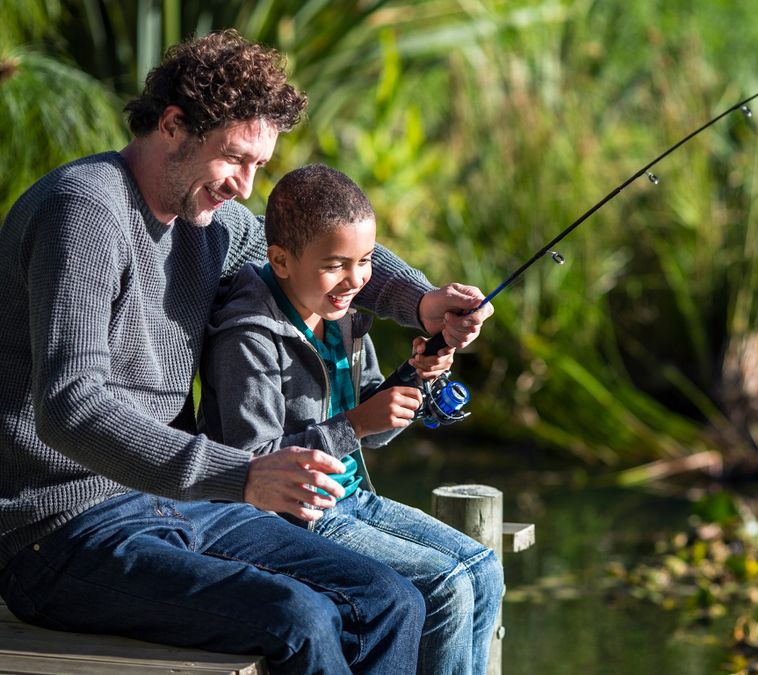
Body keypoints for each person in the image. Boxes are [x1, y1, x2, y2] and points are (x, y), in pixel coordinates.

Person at [0, 30, 493, 675]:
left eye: (259, 165)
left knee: (385, 599)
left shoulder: (207, 223)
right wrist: (241, 476)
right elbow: (71, 407)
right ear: (173, 125)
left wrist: (422, 303)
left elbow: (310, 251)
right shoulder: (86, 211)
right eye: (235, 158)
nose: (244, 185)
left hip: (173, 503)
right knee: (303, 618)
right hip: (58, 530)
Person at [199, 164, 504, 675]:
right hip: (291, 514)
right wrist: (355, 425)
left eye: (365, 261)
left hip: (350, 494)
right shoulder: (247, 336)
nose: (356, 280)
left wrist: (413, 376)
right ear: (280, 260)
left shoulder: (341, 315)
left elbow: (376, 428)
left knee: (483, 567)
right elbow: (255, 464)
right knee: (444, 584)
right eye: (336, 264)